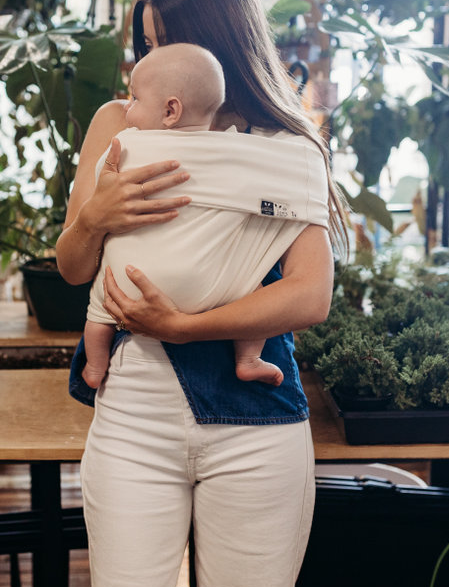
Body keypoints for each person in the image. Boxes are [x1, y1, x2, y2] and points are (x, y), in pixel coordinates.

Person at [56, 0, 351, 587]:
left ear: (217, 43)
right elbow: (72, 267)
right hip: (136, 416)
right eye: (146, 45)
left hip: (254, 422)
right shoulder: (120, 128)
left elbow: (310, 295)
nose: (150, 60)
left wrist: (185, 325)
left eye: (163, 42)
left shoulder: (281, 145)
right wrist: (98, 215)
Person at [81, 41, 306, 390]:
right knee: (256, 285)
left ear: (170, 110)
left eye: (136, 100)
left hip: (129, 282)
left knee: (99, 310)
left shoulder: (128, 144)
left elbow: (102, 178)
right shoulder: (240, 149)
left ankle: (95, 367)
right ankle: (248, 359)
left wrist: (96, 209)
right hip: (215, 291)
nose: (128, 110)